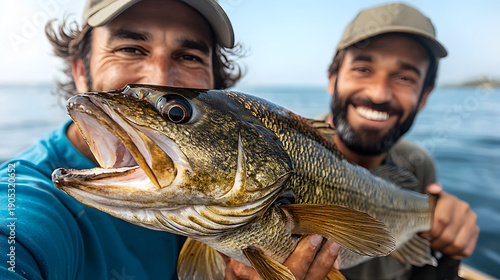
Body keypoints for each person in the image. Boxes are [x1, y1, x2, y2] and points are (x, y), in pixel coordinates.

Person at [0, 0, 340, 279]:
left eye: (188, 56)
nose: (160, 77)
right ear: (79, 70)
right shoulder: (25, 195)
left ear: (216, 84)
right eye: (131, 48)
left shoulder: (212, 182)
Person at [321, 3, 479, 279]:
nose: (380, 93)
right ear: (333, 78)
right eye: (363, 68)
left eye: (404, 77)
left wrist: (448, 246)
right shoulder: (284, 151)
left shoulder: (418, 166)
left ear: (425, 96)